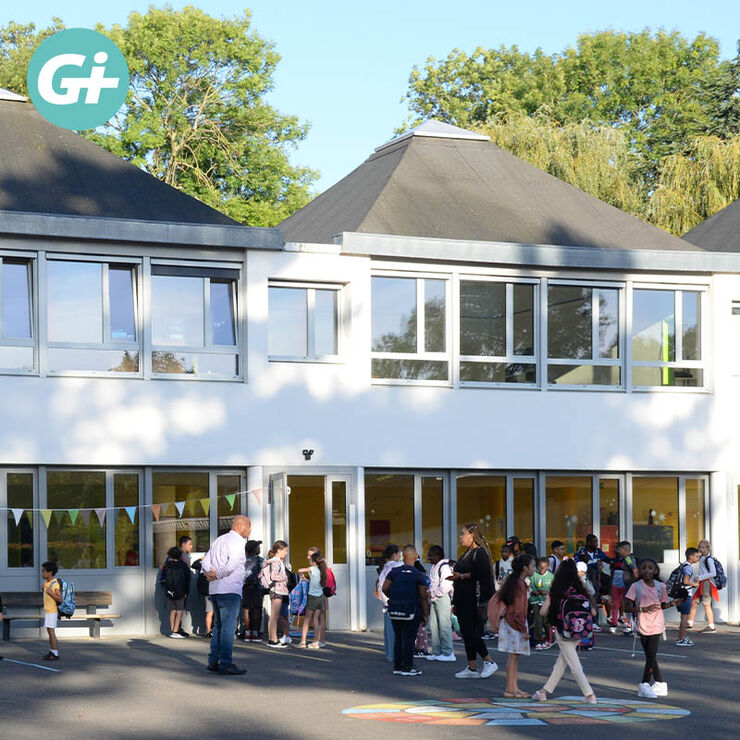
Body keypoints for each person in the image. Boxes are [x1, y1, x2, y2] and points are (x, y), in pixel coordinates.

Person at [531, 559, 597, 704]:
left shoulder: (556, 591)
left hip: (563, 632)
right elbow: (593, 612)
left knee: (575, 666)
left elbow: (542, 612)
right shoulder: (580, 590)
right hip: (580, 632)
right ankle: (544, 691)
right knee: (561, 664)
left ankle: (589, 694)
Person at [624, 558, 683, 698]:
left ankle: (644, 684)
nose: (647, 571)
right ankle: (660, 683)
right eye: (643, 568)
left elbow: (662, 605)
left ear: (655, 570)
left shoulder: (660, 586)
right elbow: (626, 607)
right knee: (650, 656)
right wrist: (642, 609)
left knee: (651, 655)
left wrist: (672, 604)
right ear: (640, 571)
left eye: (650, 568)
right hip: (643, 624)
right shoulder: (636, 586)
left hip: (657, 624)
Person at [201, 514, 251, 675]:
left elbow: (205, 560)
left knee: (219, 627)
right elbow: (232, 564)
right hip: (229, 588)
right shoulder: (237, 541)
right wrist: (217, 574)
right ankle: (226, 663)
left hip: (215, 589)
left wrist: (209, 573)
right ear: (240, 527)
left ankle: (213, 661)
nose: (250, 531)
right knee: (228, 628)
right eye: (248, 527)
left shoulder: (219, 540)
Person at [447, 523, 498, 679]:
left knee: (471, 631)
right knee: (465, 632)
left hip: (473, 599)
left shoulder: (480, 552)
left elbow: (482, 573)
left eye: (463, 534)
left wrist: (461, 576)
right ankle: (472, 667)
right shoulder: (467, 553)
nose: (460, 537)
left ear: (472, 536)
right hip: (463, 598)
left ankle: (489, 661)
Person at [489, 553, 536, 697]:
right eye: (532, 566)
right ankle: (511, 689)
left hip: (509, 621)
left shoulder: (513, 581)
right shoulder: (521, 584)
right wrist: (523, 629)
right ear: (525, 568)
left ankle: (513, 687)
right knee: (514, 657)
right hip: (515, 623)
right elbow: (519, 609)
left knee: (514, 656)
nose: (534, 569)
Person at [382, 544, 429, 676]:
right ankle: (408, 667)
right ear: (416, 557)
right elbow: (423, 596)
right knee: (409, 638)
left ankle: (398, 666)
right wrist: (425, 614)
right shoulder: (418, 575)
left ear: (403, 557)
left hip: (395, 609)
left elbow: (384, 588)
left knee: (398, 637)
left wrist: (394, 597)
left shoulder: (394, 572)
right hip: (412, 610)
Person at [426, 545, 455, 661]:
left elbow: (446, 586)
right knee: (434, 626)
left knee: (444, 626)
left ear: (438, 556)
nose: (429, 558)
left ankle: (448, 652)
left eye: (431, 556)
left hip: (442, 598)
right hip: (434, 598)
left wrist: (433, 593)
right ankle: (436, 651)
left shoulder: (444, 567)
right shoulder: (434, 567)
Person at [375, 544, 402, 663]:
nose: (400, 555)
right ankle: (396, 656)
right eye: (399, 553)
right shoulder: (397, 566)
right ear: (394, 554)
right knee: (397, 630)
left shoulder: (385, 568)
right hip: (395, 601)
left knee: (389, 631)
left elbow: (380, 586)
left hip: (386, 602)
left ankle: (390, 654)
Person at [262, 540, 291, 648]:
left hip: (275, 590)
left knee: (274, 616)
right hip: (277, 590)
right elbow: (273, 576)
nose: (286, 553)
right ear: (279, 550)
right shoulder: (276, 562)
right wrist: (285, 577)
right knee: (274, 616)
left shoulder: (273, 561)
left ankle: (272, 639)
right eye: (285, 550)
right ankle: (273, 639)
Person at [297, 550, 327, 649]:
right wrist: (308, 579)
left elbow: (300, 570)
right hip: (320, 597)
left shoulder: (312, 569)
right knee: (316, 620)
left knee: (307, 619)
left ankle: (303, 641)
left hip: (312, 597)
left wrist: (302, 575)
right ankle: (315, 642)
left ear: (314, 562)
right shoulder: (322, 570)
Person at [688, 539, 719, 634]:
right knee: (694, 602)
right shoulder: (701, 558)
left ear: (708, 548)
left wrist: (700, 577)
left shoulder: (709, 560)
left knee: (706, 604)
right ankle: (690, 624)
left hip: (707, 583)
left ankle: (711, 626)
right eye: (700, 547)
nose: (701, 549)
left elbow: (713, 573)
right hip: (702, 583)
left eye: (703, 547)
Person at [609, 541, 639, 634]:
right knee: (628, 606)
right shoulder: (626, 558)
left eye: (620, 549)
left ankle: (633, 627)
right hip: (628, 585)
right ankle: (631, 627)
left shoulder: (628, 559)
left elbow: (635, 570)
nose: (618, 551)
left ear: (625, 550)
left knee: (630, 607)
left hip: (629, 586)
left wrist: (632, 583)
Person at [162, 546, 191, 639]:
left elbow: (164, 578)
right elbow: (188, 578)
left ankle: (172, 630)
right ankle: (176, 630)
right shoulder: (183, 565)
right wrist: (186, 591)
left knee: (172, 611)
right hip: (181, 590)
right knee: (179, 611)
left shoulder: (167, 565)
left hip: (170, 591)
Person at [675, 547, 701, 646]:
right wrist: (695, 584)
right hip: (685, 594)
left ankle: (682, 637)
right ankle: (681, 638)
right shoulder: (688, 567)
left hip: (680, 593)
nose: (698, 558)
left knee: (684, 616)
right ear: (690, 556)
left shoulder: (683, 565)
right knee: (684, 617)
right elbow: (685, 581)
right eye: (696, 556)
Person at [241, 540, 264, 641]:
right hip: (257, 587)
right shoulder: (260, 560)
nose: (259, 548)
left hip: (245, 587)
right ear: (254, 549)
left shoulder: (243, 560)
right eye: (258, 547)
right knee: (257, 609)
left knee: (246, 609)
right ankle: (255, 633)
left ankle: (247, 632)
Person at [530, 557, 554, 649]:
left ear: (548, 567)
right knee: (538, 621)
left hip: (546, 601)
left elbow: (554, 589)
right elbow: (528, 585)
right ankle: (538, 640)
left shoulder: (551, 577)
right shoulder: (533, 575)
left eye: (544, 568)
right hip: (535, 600)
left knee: (546, 621)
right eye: (540, 567)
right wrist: (533, 591)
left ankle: (550, 639)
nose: (541, 569)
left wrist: (547, 592)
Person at [41, 561, 62, 661]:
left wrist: (51, 593)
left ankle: (55, 652)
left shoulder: (54, 584)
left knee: (51, 631)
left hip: (52, 611)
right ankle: (53, 651)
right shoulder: (46, 584)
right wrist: (44, 589)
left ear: (50, 572)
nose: (42, 574)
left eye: (44, 571)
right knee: (49, 631)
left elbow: (60, 598)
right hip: (48, 611)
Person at [308, 546, 328, 646]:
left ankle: (320, 640)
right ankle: (320, 640)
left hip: (320, 594)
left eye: (310, 555)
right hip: (321, 593)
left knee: (319, 617)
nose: (308, 557)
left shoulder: (317, 568)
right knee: (319, 617)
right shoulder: (321, 567)